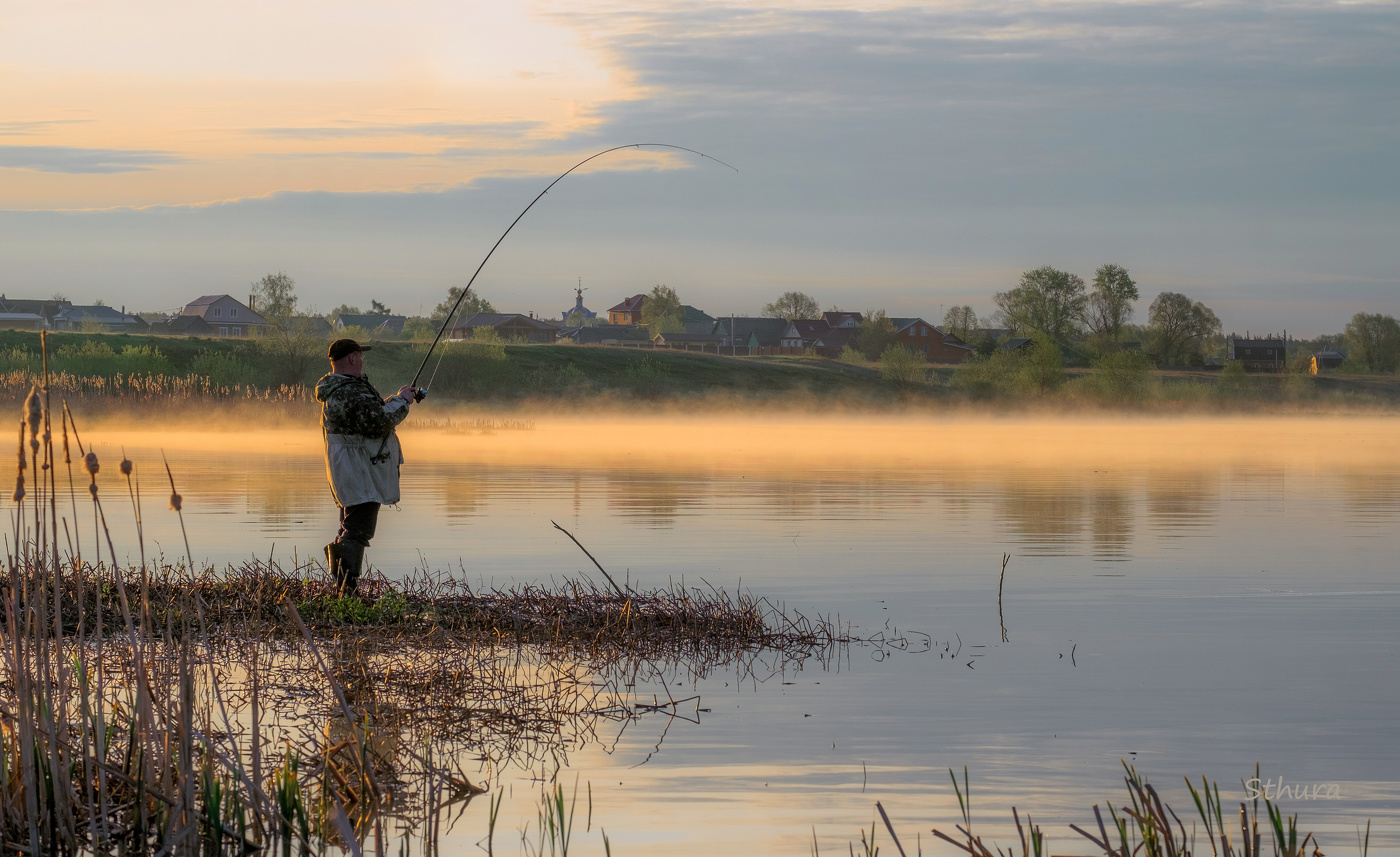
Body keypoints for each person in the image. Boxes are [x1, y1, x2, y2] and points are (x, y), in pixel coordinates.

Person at [315, 338, 417, 596]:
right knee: (358, 530)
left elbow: (370, 412)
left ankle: (342, 589)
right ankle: (345, 592)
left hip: (351, 468)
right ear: (351, 358)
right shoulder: (349, 390)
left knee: (349, 527)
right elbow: (377, 423)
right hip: (359, 470)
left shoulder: (343, 388)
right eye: (360, 355)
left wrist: (396, 398)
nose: (362, 360)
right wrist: (403, 402)